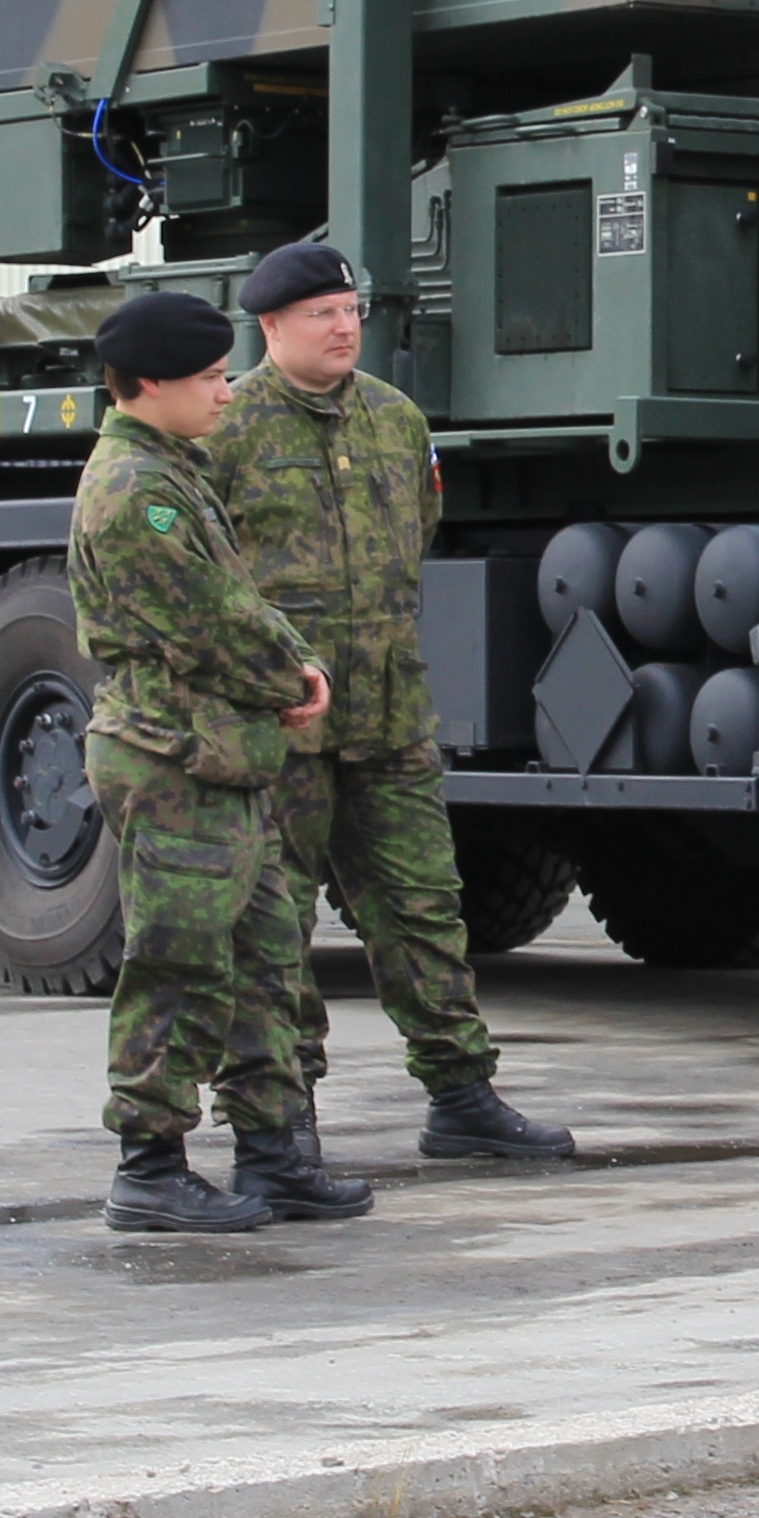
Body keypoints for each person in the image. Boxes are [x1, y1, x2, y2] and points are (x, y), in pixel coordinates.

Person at [207, 235, 575, 1162]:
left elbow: (417, 533)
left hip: (388, 716)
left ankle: (460, 1094)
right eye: (321, 315)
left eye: (351, 312)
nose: (343, 328)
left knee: (424, 907)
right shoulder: (225, 429)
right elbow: (206, 581)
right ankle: (283, 1122)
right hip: (279, 727)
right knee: (275, 925)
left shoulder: (395, 420)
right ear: (270, 327)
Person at [70, 288, 374, 1234]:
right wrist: (291, 674)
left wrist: (292, 658)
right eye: (207, 377)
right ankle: (149, 1165)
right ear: (148, 383)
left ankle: (272, 1154)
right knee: (178, 962)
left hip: (220, 754)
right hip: (173, 756)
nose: (227, 392)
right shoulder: (135, 493)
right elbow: (205, 619)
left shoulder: (173, 466)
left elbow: (237, 594)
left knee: (263, 959)